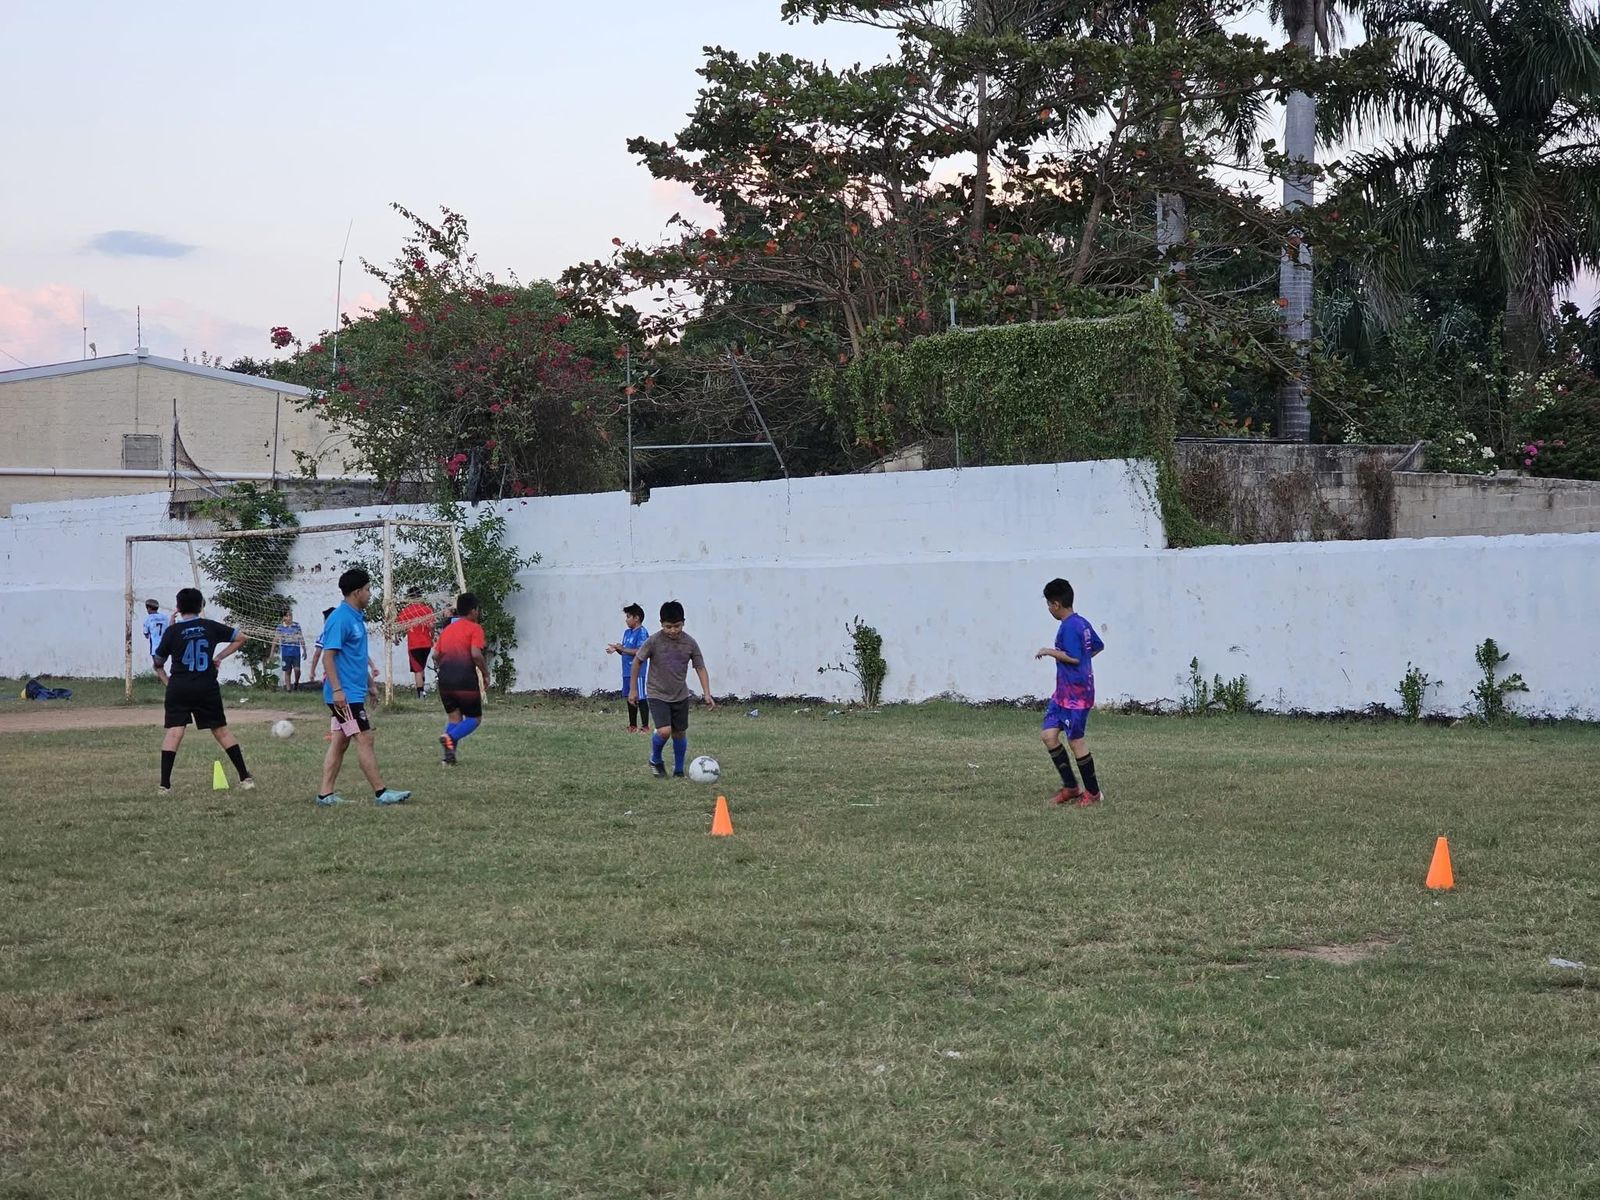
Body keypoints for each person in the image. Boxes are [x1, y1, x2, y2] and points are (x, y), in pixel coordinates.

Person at [317, 567, 410, 807]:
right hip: (344, 696)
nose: (370, 594)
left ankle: (325, 795)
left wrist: (370, 685)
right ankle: (381, 793)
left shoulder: (356, 617)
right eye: (368, 589)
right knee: (365, 738)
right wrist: (338, 691)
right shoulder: (340, 618)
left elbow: (355, 658)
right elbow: (328, 658)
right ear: (356, 592)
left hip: (353, 692)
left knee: (340, 741)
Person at [152, 587, 254, 795]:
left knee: (174, 732)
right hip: (206, 686)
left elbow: (158, 662)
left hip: (179, 687)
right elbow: (241, 637)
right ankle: (245, 777)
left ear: (178, 608)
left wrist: (168, 682)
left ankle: (164, 785)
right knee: (221, 731)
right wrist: (219, 657)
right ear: (201, 606)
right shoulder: (209, 626)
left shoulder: (172, 631)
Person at [1035, 577, 1106, 807]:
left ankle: (1093, 793)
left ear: (1056, 604)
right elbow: (1097, 646)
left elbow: (1074, 657)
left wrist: (1049, 651)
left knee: (1076, 741)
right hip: (1062, 694)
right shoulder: (1082, 623)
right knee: (1049, 735)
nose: (1048, 609)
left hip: (1077, 697)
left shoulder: (1070, 626)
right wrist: (1083, 660)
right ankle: (1071, 787)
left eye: (1049, 604)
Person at [634, 599, 715, 778]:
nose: (672, 630)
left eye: (677, 626)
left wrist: (707, 693)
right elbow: (638, 661)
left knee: (679, 733)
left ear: (683, 623)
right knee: (664, 731)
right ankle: (655, 758)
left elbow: (700, 667)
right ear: (661, 624)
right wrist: (633, 690)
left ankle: (678, 771)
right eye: (668, 626)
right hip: (657, 693)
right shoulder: (654, 641)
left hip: (680, 695)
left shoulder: (690, 643)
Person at [435, 592, 491, 766]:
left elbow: (435, 654)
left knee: (454, 718)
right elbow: (475, 654)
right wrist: (485, 673)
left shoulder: (448, 629)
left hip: (444, 680)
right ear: (473, 611)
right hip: (464, 679)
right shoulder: (475, 628)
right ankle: (450, 737)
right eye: (477, 609)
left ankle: (448, 759)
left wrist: (445, 667)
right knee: (474, 719)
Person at [605, 603, 650, 732]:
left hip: (638, 672)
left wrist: (623, 648)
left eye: (628, 617)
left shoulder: (642, 632)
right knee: (630, 697)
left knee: (640, 697)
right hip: (626, 671)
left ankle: (645, 726)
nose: (626, 620)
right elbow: (626, 651)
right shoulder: (627, 633)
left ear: (636, 618)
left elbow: (640, 651)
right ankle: (632, 725)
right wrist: (617, 649)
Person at [397, 589, 437, 700]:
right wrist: (432, 636)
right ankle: (423, 691)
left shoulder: (406, 611)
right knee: (421, 667)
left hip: (414, 644)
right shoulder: (427, 609)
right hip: (426, 643)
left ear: (409, 598)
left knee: (417, 670)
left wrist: (396, 637)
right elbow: (432, 626)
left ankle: (421, 694)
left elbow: (399, 626)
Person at [272, 609, 305, 692]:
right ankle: (288, 690)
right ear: (283, 618)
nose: (289, 617)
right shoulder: (280, 627)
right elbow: (275, 640)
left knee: (297, 669)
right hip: (286, 653)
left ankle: (296, 682)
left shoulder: (296, 626)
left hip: (296, 652)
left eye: (290, 615)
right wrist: (272, 652)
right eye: (287, 616)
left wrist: (304, 650)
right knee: (287, 671)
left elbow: (301, 638)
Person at [142, 599, 171, 685]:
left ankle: (167, 683)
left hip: (155, 647)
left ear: (149, 608)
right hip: (166, 645)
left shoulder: (148, 619)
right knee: (159, 665)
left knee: (157, 667)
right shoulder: (165, 617)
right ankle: (162, 681)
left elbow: (146, 634)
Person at [307, 606, 336, 684]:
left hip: (332, 671)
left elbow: (317, 654)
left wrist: (312, 671)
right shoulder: (345, 633)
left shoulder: (324, 635)